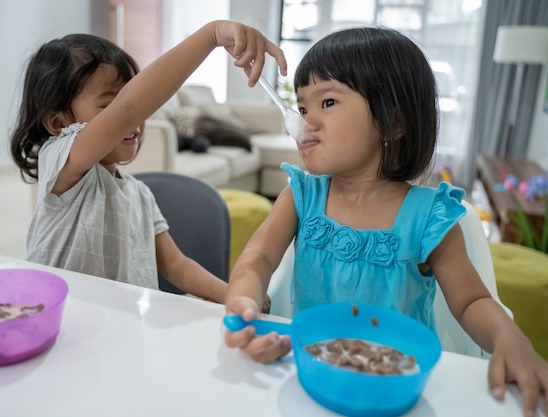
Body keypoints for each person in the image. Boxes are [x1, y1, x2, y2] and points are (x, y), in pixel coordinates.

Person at [223, 26, 548, 416]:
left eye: (327, 102)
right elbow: (259, 256)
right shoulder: (302, 195)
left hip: (394, 391)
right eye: (303, 107)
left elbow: (472, 301)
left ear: (394, 123)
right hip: (307, 377)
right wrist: (244, 296)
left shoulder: (428, 216)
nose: (305, 121)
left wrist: (509, 339)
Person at [10, 20, 286, 306]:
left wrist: (234, 293)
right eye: (108, 107)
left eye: (126, 100)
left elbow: (177, 266)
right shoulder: (60, 162)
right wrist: (212, 35)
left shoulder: (139, 194)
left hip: (121, 331)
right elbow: (129, 108)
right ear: (58, 123)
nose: (136, 120)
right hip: (58, 325)